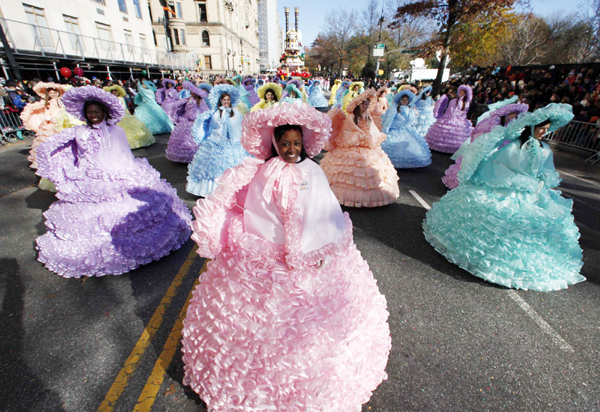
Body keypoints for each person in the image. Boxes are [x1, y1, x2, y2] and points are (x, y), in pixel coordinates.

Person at [181, 102, 391, 411]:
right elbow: (255, 209)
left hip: (311, 258)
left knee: (311, 323)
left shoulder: (313, 172)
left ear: (304, 144)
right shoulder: (265, 171)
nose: (291, 149)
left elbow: (324, 211)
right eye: (284, 143)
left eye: (296, 143)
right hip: (265, 255)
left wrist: (321, 248)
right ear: (275, 144)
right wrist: (260, 243)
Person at [423, 103, 585, 291]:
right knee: (495, 217)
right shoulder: (514, 147)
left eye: (547, 130)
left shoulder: (545, 149)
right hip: (506, 189)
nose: (544, 133)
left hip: (534, 193)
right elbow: (496, 169)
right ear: (532, 127)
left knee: (542, 222)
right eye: (542, 129)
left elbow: (545, 171)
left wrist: (540, 183)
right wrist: (521, 182)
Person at [35, 86, 191, 278]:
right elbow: (72, 153)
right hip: (90, 179)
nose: (94, 115)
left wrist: (129, 175)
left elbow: (125, 155)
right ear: (85, 114)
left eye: (97, 112)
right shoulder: (79, 132)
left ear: (104, 113)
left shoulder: (116, 131)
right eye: (90, 112)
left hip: (119, 173)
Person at [321, 89, 399, 207]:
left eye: (368, 104)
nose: (366, 107)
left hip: (366, 145)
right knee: (351, 170)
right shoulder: (352, 117)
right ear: (359, 105)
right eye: (364, 104)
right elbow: (349, 131)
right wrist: (361, 136)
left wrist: (371, 137)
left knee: (371, 168)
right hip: (352, 144)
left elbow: (372, 129)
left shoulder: (367, 115)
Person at [442, 96, 528, 189]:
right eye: (513, 113)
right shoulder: (492, 122)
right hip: (482, 153)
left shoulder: (510, 126)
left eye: (517, 114)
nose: (515, 116)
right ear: (506, 113)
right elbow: (479, 138)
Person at [187, 84, 248, 196]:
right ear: (220, 101)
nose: (226, 102)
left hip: (233, 145)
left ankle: (233, 188)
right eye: (224, 100)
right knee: (214, 168)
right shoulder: (216, 113)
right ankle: (213, 190)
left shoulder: (236, 113)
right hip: (217, 144)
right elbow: (213, 128)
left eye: (228, 100)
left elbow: (240, 127)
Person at [20, 82, 69, 169]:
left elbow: (63, 111)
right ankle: (47, 162)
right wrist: (48, 117)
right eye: (51, 93)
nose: (53, 94)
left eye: (54, 93)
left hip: (59, 123)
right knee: (46, 142)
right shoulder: (46, 103)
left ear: (57, 92)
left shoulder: (60, 100)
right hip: (49, 124)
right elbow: (46, 112)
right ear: (48, 94)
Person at [381, 89, 432, 168]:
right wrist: (385, 130)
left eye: (406, 100)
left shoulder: (409, 108)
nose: (405, 101)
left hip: (406, 129)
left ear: (408, 101)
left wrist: (414, 113)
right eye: (403, 100)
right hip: (395, 129)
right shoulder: (395, 108)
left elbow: (412, 120)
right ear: (400, 100)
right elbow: (389, 119)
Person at [165, 81, 210, 163]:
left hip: (195, 121)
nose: (191, 93)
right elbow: (185, 109)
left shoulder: (198, 101)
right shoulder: (191, 100)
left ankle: (194, 154)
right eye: (191, 92)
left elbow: (202, 111)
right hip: (189, 121)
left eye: (193, 92)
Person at [103, 85, 155, 149]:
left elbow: (123, 108)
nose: (114, 94)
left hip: (122, 115)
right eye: (113, 93)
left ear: (118, 93)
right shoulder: (110, 99)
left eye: (115, 92)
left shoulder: (120, 98)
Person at [425, 85, 474, 153]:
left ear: (465, 94)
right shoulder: (453, 101)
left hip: (459, 120)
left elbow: (464, 113)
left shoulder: (466, 103)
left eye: (463, 93)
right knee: (444, 130)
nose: (461, 94)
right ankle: (440, 146)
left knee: (455, 135)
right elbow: (450, 110)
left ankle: (453, 148)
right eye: (460, 92)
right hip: (449, 117)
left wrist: (459, 119)